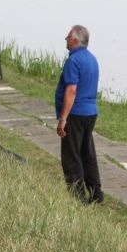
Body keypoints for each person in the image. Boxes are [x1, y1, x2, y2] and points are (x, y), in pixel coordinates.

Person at [55, 25, 103, 204]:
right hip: (91, 113)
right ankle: (96, 192)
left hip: (75, 113)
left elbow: (71, 91)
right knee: (87, 153)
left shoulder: (73, 61)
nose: (65, 39)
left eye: (68, 37)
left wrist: (63, 118)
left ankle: (78, 196)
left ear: (75, 40)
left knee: (71, 155)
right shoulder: (92, 59)